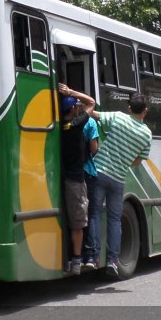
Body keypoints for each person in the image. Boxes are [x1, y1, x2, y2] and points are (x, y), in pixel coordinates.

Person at [90, 93, 152, 278]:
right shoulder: (146, 134)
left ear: (129, 108)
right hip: (118, 179)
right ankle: (112, 261)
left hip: (100, 172)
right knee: (115, 220)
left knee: (93, 213)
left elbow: (95, 115)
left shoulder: (118, 117)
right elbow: (137, 161)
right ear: (145, 111)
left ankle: (93, 257)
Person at [57, 83, 96, 275]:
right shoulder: (75, 125)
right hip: (75, 181)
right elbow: (91, 102)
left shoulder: (57, 127)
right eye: (75, 106)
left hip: (59, 178)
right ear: (72, 109)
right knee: (78, 224)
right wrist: (71, 91)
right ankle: (76, 260)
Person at [82, 115, 100, 269]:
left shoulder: (67, 120)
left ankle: (78, 255)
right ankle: (91, 256)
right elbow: (94, 148)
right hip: (88, 172)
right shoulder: (90, 122)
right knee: (92, 214)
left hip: (72, 174)